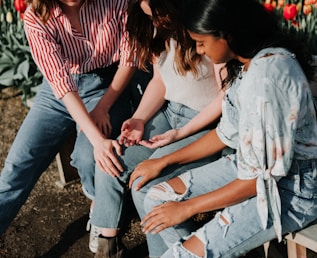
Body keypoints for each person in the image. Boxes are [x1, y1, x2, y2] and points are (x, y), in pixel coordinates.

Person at [134, 0, 317, 257]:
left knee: (179, 252)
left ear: (228, 35)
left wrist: (188, 208)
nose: (198, 51)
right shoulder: (245, 63)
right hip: (249, 167)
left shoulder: (266, 78)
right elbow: (224, 134)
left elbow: (259, 181)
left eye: (202, 42)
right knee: (157, 197)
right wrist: (164, 161)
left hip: (289, 193)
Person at [88, 0, 225, 256]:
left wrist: (181, 133)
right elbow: (160, 81)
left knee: (144, 183)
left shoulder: (204, 28)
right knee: (110, 159)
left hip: (204, 124)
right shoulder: (158, 28)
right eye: (150, 16)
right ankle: (108, 247)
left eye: (159, 14)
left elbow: (224, 99)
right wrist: (139, 119)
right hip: (170, 113)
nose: (156, 22)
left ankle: (177, 252)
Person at [0, 0, 137, 236]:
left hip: (107, 87)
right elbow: (61, 84)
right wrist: (96, 137)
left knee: (87, 155)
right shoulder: (36, 16)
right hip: (57, 92)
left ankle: (101, 207)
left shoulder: (116, 1)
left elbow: (130, 57)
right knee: (18, 165)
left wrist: (103, 108)